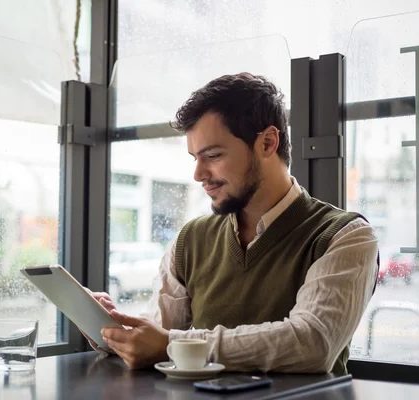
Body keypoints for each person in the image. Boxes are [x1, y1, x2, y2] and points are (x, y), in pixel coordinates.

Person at [85, 72, 379, 374]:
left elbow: (312, 343)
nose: (198, 174)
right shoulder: (191, 240)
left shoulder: (344, 236)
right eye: (194, 158)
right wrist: (114, 331)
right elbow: (157, 338)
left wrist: (175, 345)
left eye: (212, 155)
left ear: (267, 143)